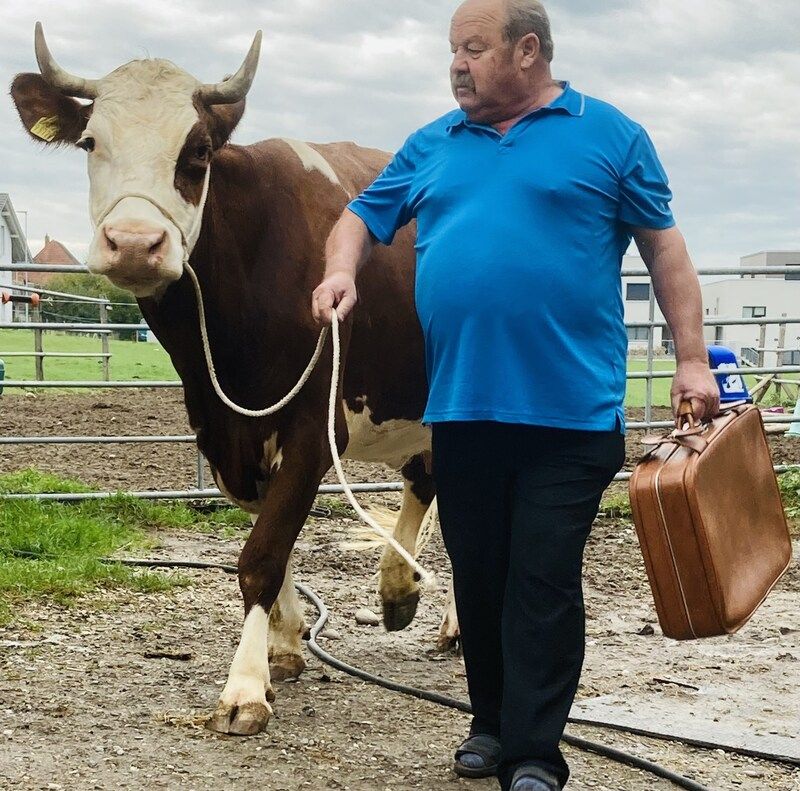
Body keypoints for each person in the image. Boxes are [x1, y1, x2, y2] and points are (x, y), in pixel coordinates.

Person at [312, 0, 719, 788]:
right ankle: (492, 723)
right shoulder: (434, 142)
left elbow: (665, 249)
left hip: (570, 413)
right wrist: (339, 269)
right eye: (452, 50)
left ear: (527, 51)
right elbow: (360, 217)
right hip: (461, 411)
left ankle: (534, 752)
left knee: (541, 578)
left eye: (472, 49)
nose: (456, 65)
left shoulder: (610, 136)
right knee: (481, 572)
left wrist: (692, 358)